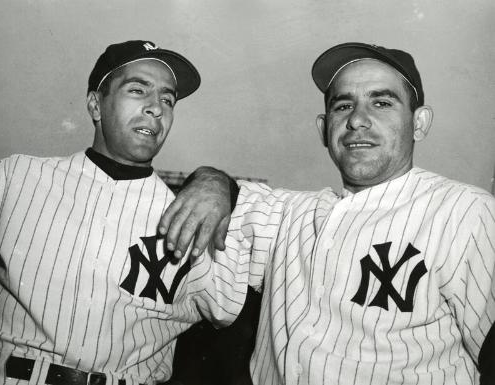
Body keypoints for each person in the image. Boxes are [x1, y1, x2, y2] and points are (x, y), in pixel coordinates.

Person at [159, 42, 495, 384]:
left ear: (419, 123)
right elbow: (230, 193)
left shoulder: (464, 211)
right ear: (323, 128)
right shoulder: (290, 213)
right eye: (344, 105)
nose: (358, 120)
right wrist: (211, 180)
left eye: (381, 103)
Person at [0, 40, 247, 385]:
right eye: (137, 90)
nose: (155, 108)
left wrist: (222, 183)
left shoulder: (190, 215)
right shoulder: (16, 177)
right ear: (95, 105)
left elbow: (227, 309)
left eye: (167, 99)